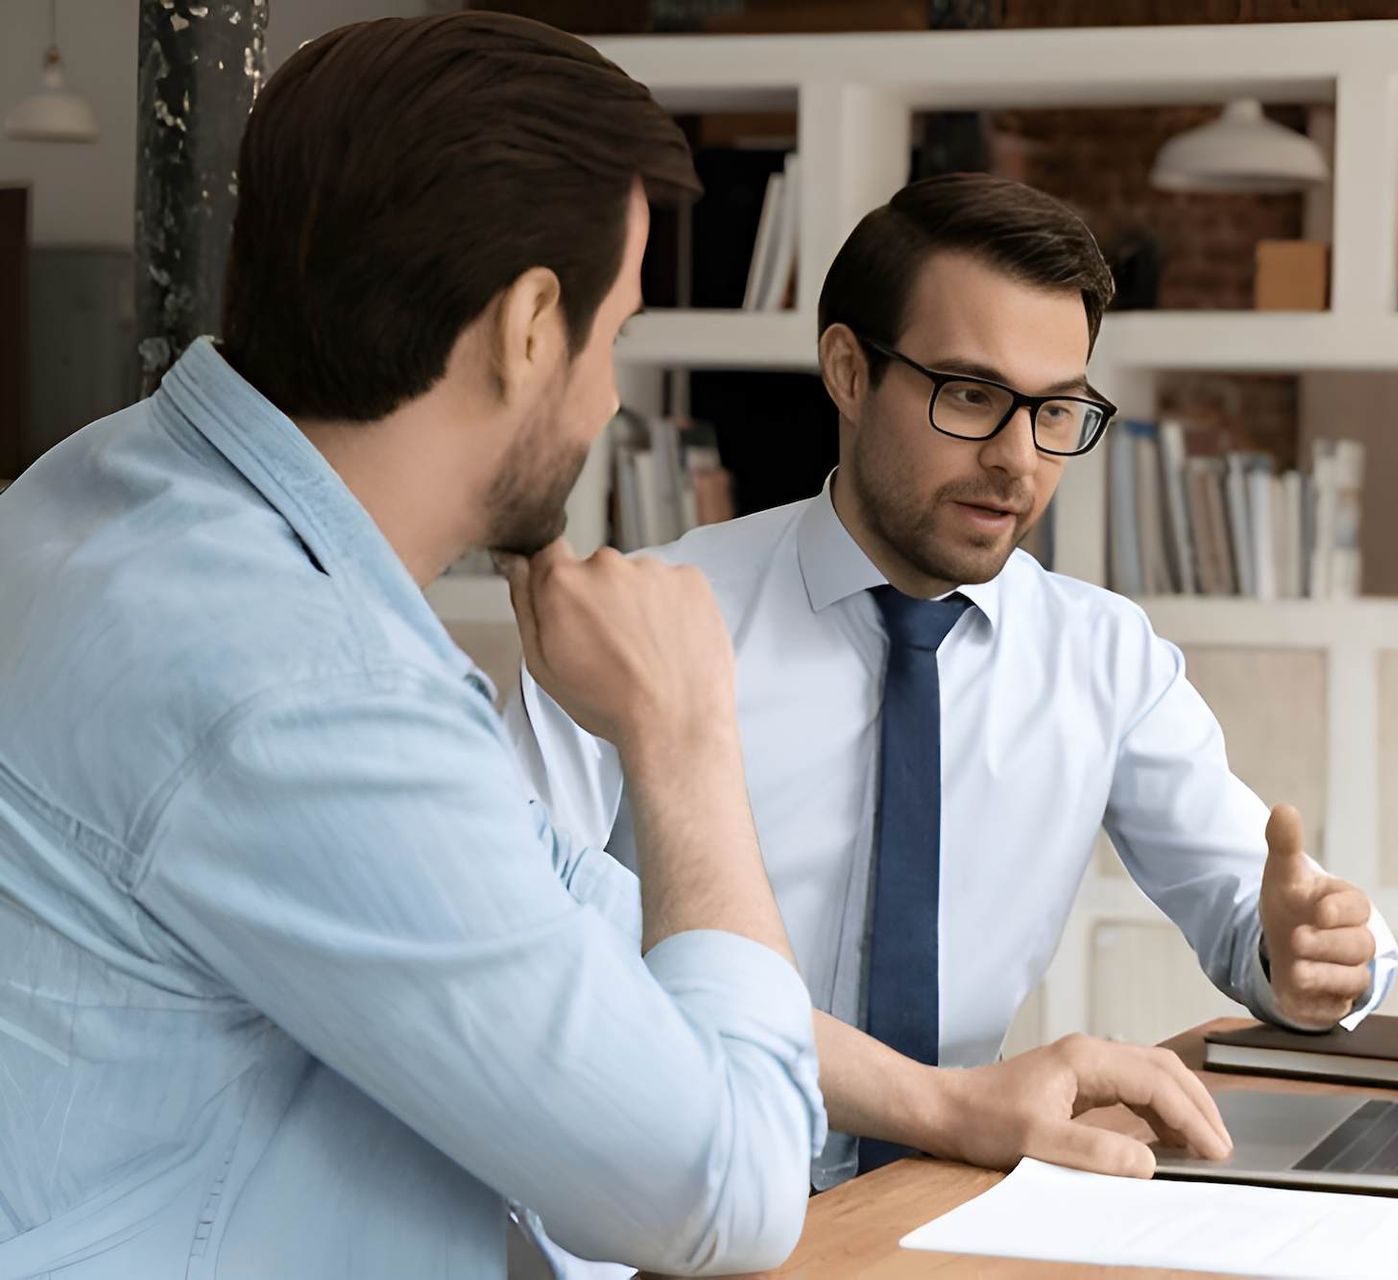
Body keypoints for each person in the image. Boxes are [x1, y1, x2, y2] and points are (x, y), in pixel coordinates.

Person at [0, 14, 824, 1278]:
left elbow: (556, 920)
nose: (609, 396)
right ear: (531, 323)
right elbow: (730, 1198)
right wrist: (688, 732)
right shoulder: (301, 679)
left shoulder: (100, 488)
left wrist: (943, 1100)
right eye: (619, 335)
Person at [508, 172, 1398, 1191]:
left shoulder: (1102, 657)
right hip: (662, 1214)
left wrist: (1312, 957)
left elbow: (1270, 914)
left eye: (1056, 410)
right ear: (848, 370)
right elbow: (524, 945)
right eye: (972, 396)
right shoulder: (643, 619)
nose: (1017, 461)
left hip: (944, 1203)